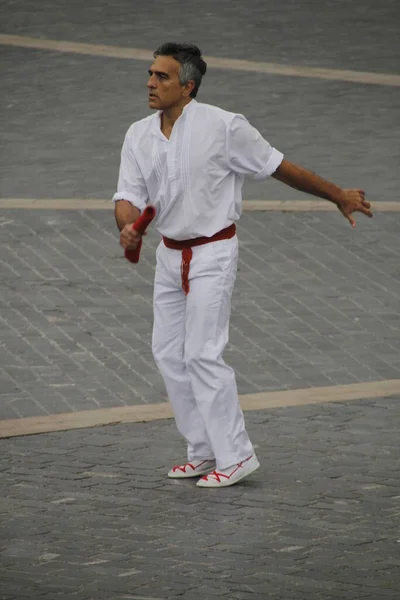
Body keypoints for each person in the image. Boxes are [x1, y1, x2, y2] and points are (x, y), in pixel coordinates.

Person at [113, 42, 372, 488]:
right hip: (169, 255)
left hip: (213, 252)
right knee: (168, 354)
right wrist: (128, 226)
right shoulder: (139, 134)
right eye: (150, 74)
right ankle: (201, 450)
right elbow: (126, 197)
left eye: (162, 77)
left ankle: (236, 455)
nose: (150, 83)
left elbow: (278, 166)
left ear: (188, 86)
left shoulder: (223, 126)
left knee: (202, 352)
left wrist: (337, 195)